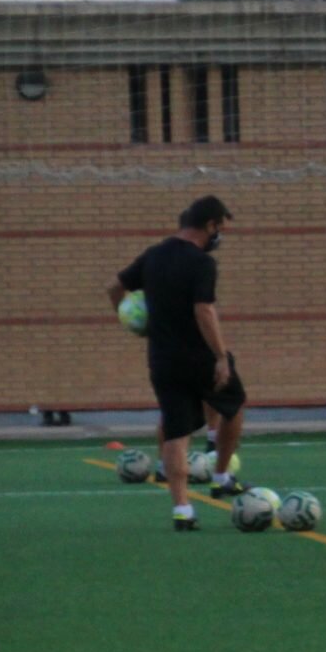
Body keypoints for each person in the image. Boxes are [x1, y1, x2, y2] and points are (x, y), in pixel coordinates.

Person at [108, 196, 246, 528]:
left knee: (175, 432)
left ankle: (182, 509)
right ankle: (221, 476)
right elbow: (204, 310)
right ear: (210, 225)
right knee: (234, 406)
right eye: (219, 228)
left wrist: (133, 323)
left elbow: (114, 287)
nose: (219, 236)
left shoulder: (153, 255)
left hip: (162, 359)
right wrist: (220, 357)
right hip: (199, 357)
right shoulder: (202, 263)